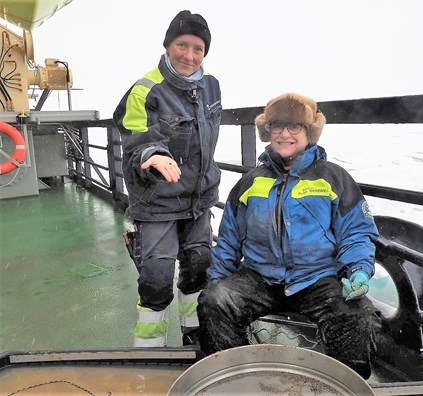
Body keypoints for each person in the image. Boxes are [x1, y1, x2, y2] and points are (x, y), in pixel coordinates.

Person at [197, 93, 380, 379]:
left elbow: (355, 232)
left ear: (310, 132)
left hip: (318, 277)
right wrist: (217, 282)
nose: (285, 134)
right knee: (215, 301)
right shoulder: (249, 182)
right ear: (267, 132)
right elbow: (229, 240)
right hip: (260, 278)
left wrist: (358, 269)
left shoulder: (334, 177)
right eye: (277, 127)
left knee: (355, 314)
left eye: (295, 126)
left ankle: (344, 384)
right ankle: (236, 378)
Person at [113, 10, 222, 348]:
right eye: (182, 45)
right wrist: (151, 155)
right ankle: (149, 348)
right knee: (157, 277)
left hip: (199, 201)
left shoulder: (212, 85)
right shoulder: (145, 89)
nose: (189, 55)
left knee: (198, 267)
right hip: (157, 202)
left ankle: (194, 332)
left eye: (198, 48)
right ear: (168, 45)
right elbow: (136, 138)